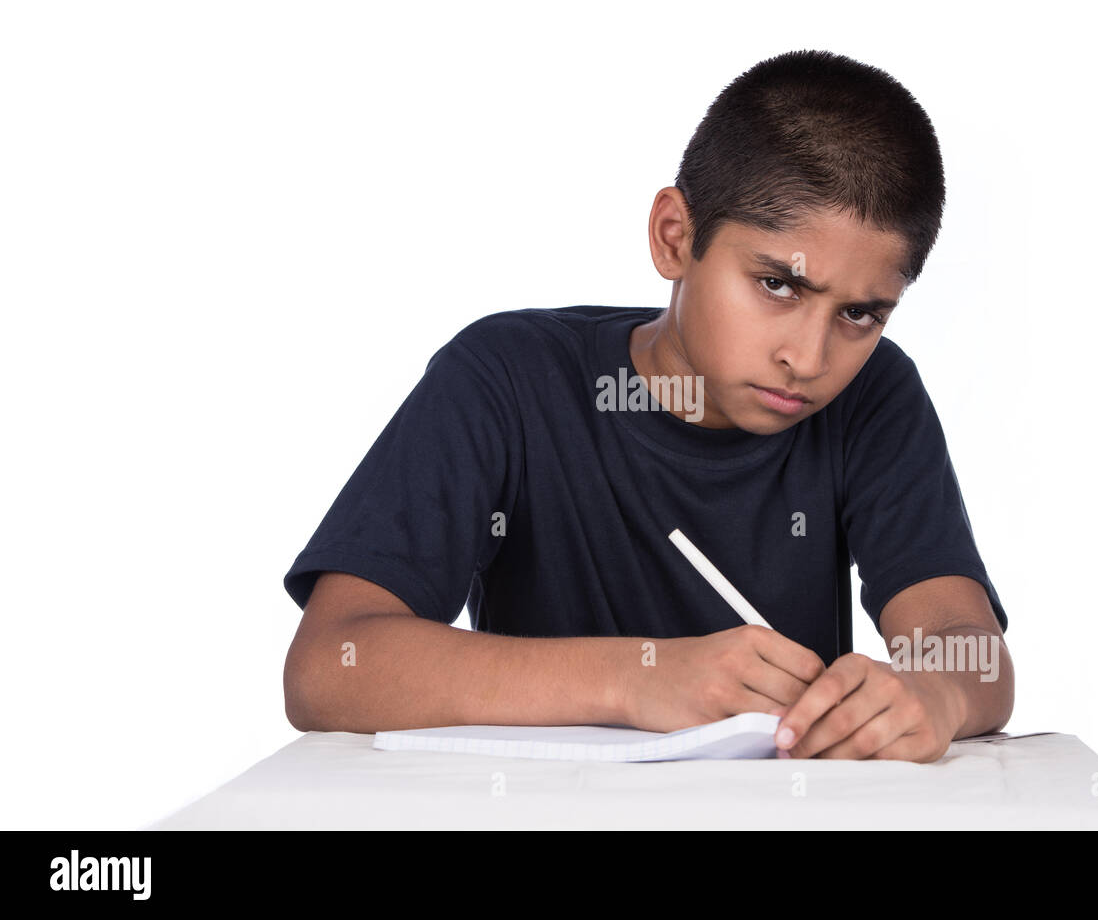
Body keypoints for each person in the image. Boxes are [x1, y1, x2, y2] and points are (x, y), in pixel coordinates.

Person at [282, 49, 1014, 761]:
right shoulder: (506, 376)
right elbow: (327, 665)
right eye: (777, 285)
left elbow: (965, 642)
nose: (810, 358)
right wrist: (639, 676)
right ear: (676, 237)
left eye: (859, 314)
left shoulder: (873, 396)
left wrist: (936, 695)